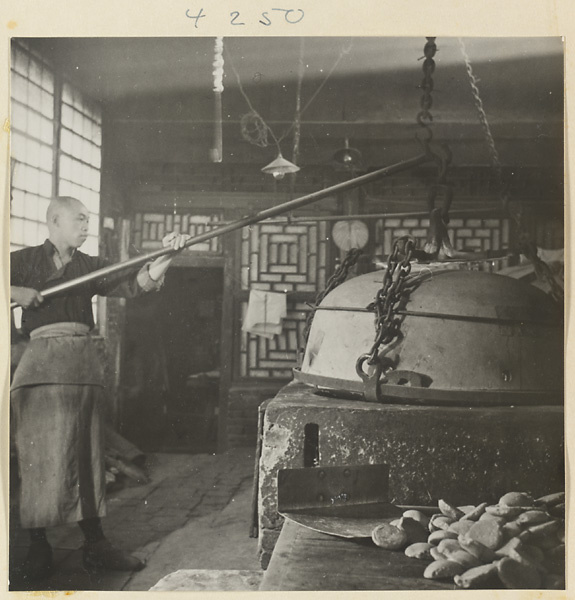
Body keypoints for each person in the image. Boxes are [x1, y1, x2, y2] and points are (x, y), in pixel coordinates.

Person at [10, 196, 190, 581]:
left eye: (88, 220)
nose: (86, 225)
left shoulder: (88, 266)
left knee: (87, 458)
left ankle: (96, 545)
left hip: (81, 364)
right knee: (38, 459)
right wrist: (15, 293)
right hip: (40, 365)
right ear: (54, 221)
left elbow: (137, 283)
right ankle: (38, 548)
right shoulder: (24, 260)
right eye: (79, 219)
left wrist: (171, 254)